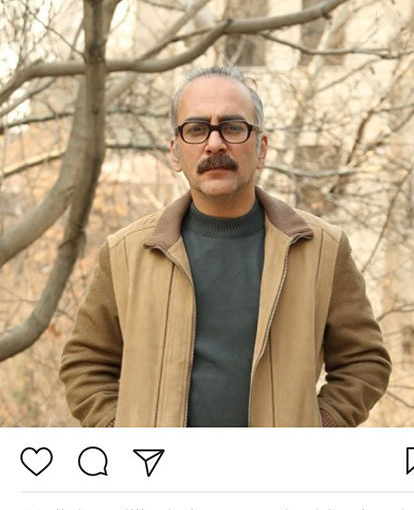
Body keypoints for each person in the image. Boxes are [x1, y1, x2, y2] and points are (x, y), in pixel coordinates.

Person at [60, 66, 391, 427]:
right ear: (175, 152)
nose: (214, 143)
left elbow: (365, 362)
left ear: (261, 148)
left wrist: (315, 430)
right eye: (196, 129)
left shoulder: (322, 250)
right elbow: (85, 365)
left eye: (232, 127)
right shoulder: (126, 254)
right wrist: (126, 437)